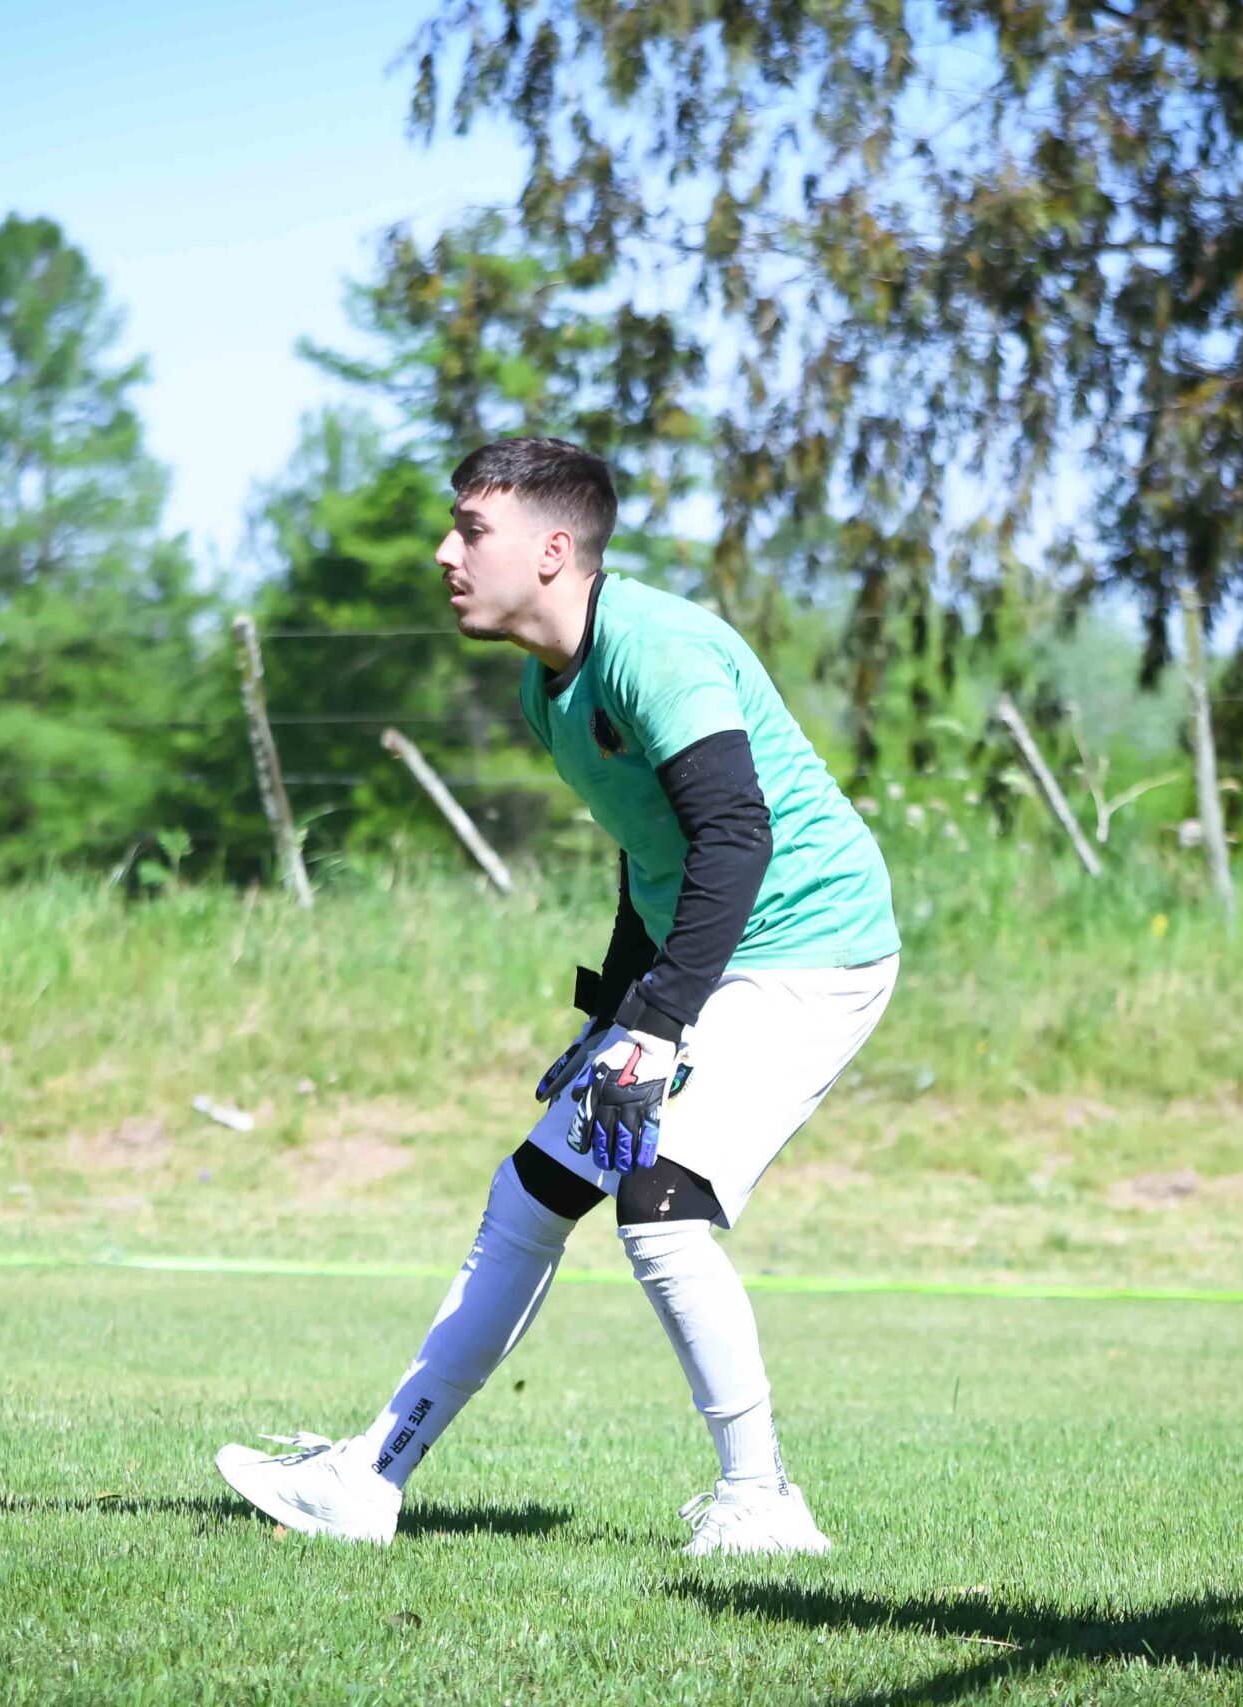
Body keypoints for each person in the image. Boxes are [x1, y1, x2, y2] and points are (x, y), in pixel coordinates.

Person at [216, 435, 902, 1554]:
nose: (445, 554)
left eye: (469, 531)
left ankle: (763, 1503)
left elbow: (736, 834)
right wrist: (618, 1012)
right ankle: (368, 1478)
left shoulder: (654, 649)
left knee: (660, 1206)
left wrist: (658, 1028)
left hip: (811, 950)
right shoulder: (550, 686)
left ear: (550, 550)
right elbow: (652, 850)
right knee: (530, 1194)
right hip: (715, 954)